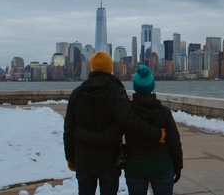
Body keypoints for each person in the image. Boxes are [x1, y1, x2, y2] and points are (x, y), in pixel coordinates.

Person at [63, 51, 166, 195]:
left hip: (84, 159)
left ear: (91, 68)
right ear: (110, 69)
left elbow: (69, 129)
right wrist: (157, 134)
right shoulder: (117, 92)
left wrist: (70, 158)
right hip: (109, 160)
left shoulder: (77, 93)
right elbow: (128, 121)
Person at [75, 65, 183, 195]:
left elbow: (117, 135)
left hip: (135, 167)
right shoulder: (164, 112)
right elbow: (174, 142)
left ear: (135, 86)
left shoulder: (127, 112)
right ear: (152, 86)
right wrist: (177, 166)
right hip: (162, 166)